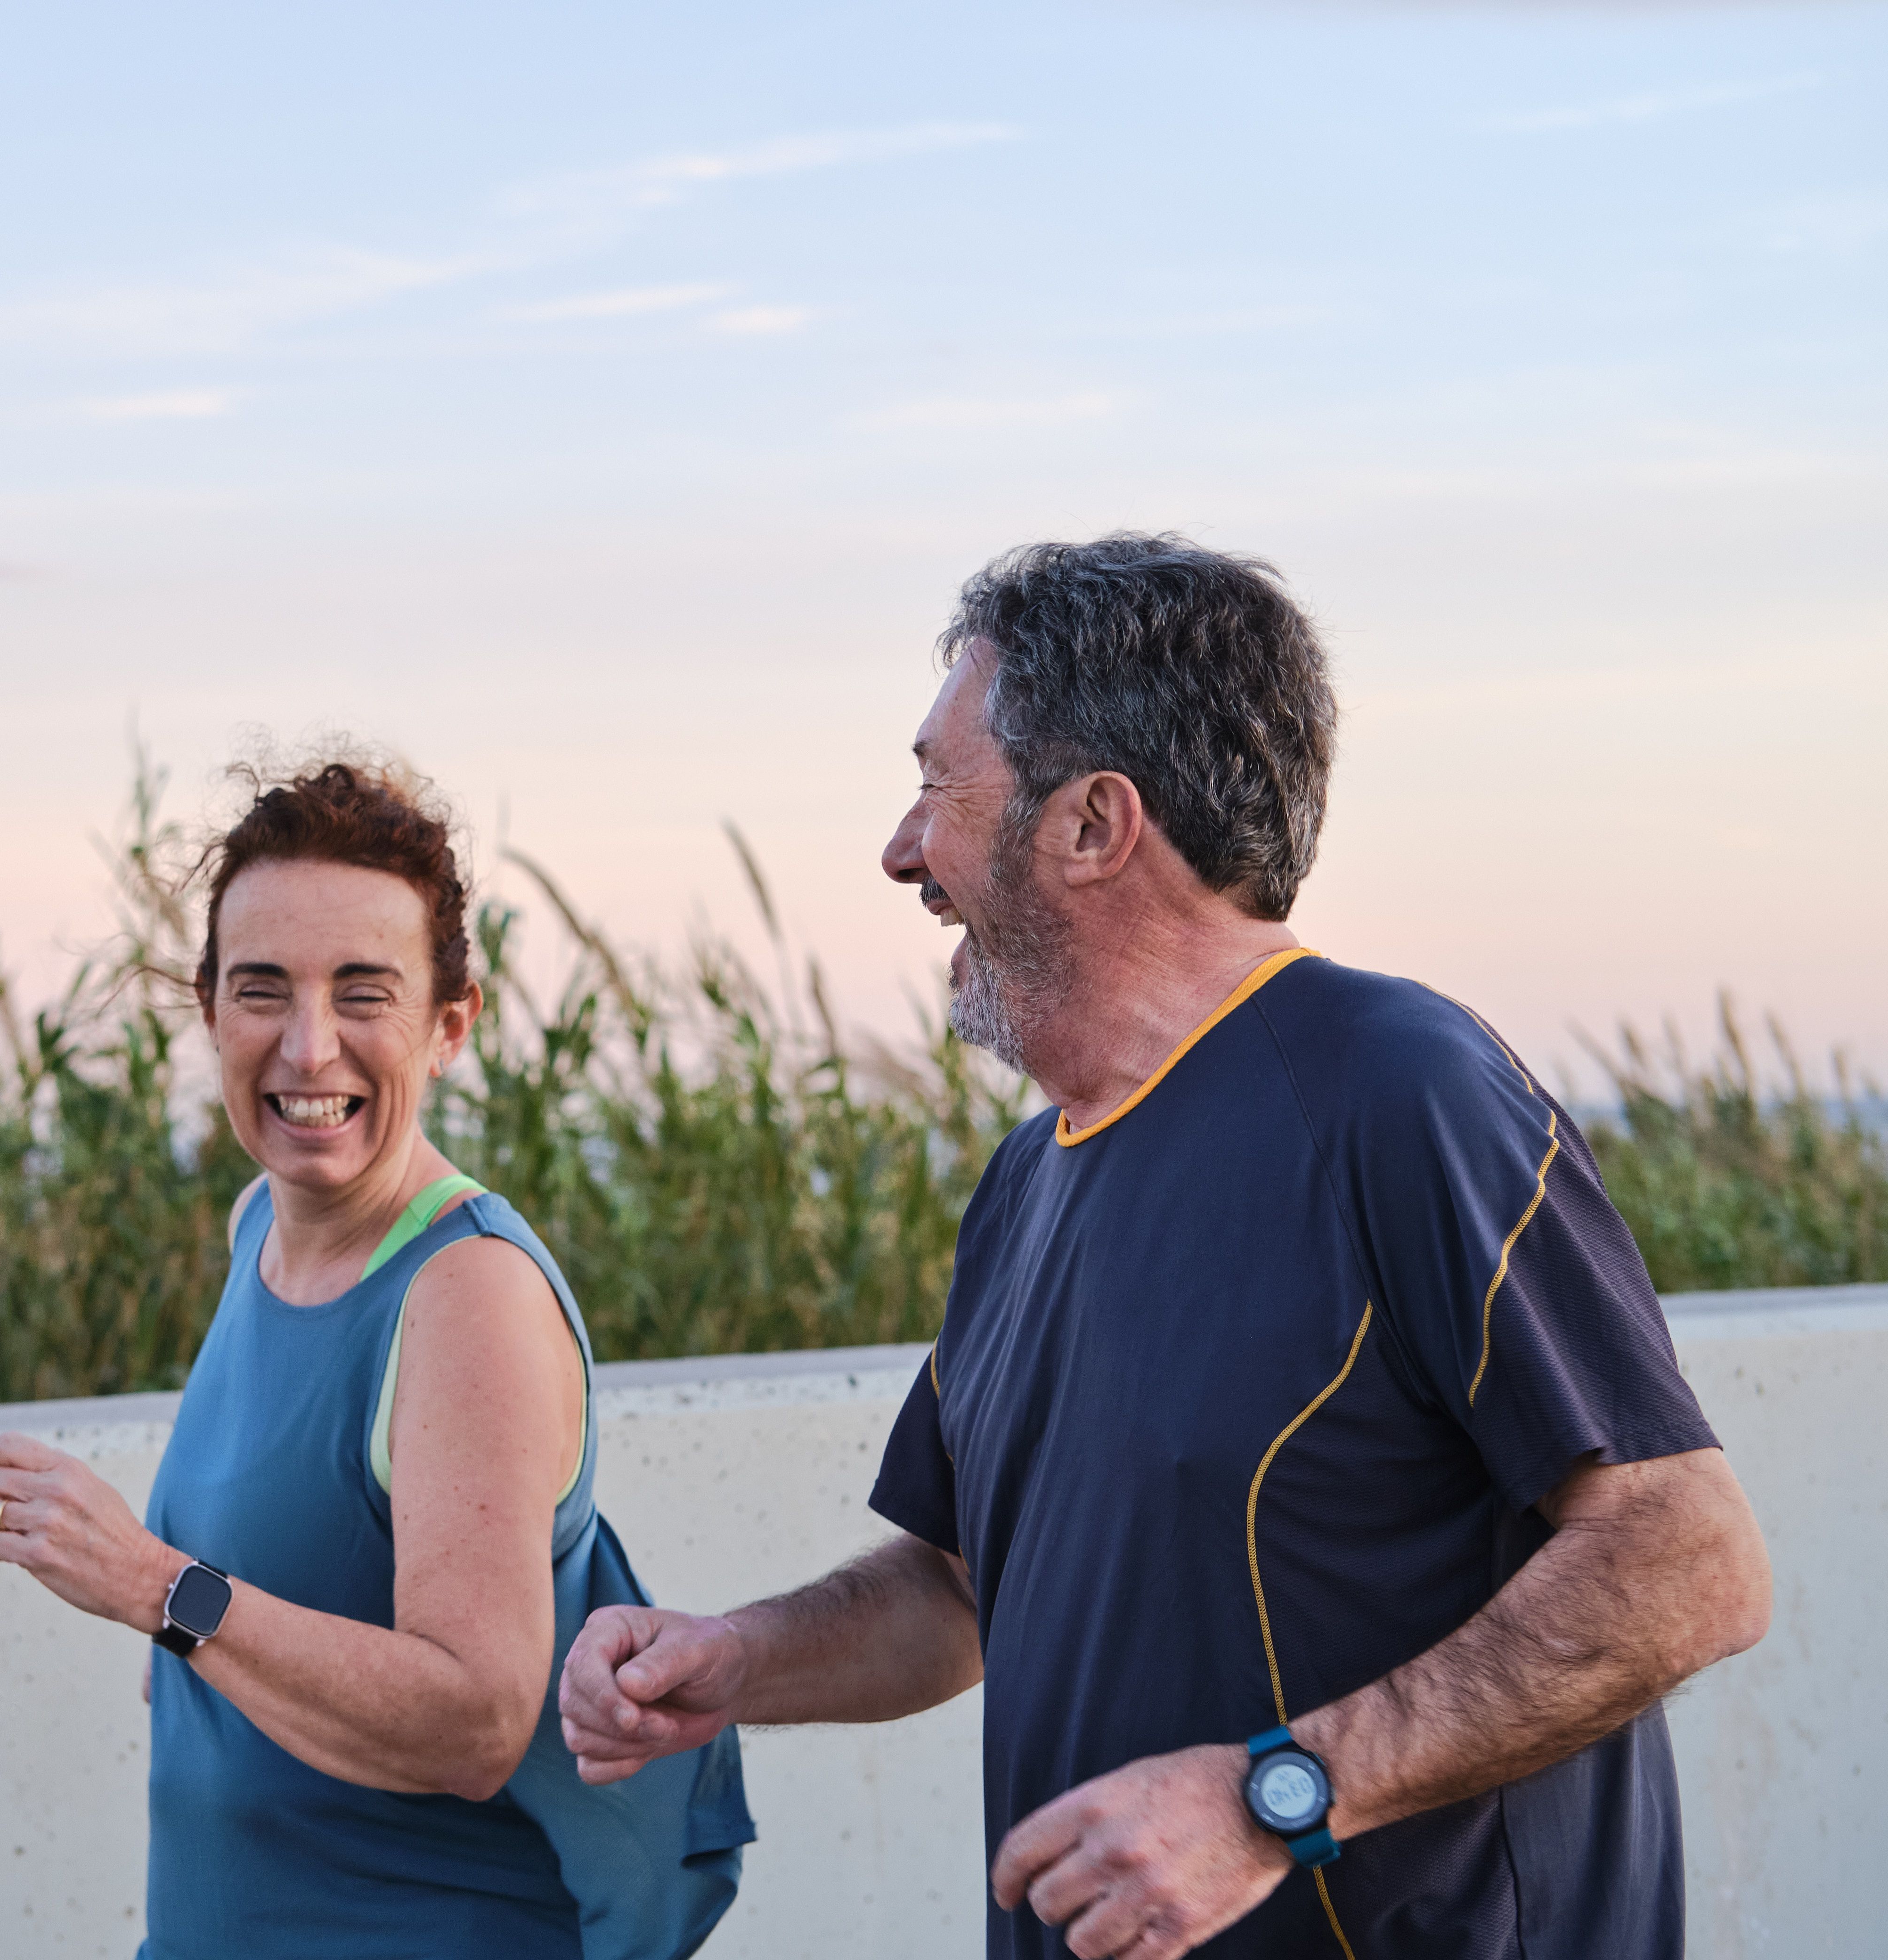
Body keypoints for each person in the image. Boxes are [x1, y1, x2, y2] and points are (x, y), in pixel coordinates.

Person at [559, 535, 1773, 1960]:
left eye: (939, 786)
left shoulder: (1395, 1088)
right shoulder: (1028, 1183)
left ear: (1093, 825)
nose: (903, 851)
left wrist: (1274, 1801)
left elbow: (1688, 1556)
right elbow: (957, 1595)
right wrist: (737, 1659)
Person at [0, 759, 749, 1960]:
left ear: (450, 1026)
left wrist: (153, 1588)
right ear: (210, 1007)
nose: (308, 1045)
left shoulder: (464, 1294)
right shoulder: (259, 1227)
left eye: (363, 993)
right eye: (264, 989)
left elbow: (474, 1719)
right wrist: (213, 1673)